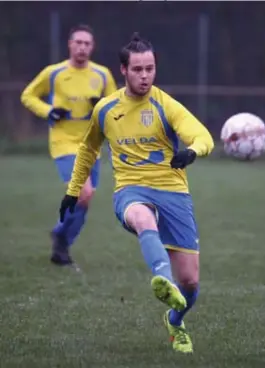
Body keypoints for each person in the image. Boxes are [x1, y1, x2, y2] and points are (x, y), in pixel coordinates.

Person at [58, 32, 214, 353]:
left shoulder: (164, 104)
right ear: (124, 71)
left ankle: (174, 318)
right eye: (138, 69)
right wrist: (73, 191)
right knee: (143, 218)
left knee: (192, 284)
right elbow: (88, 149)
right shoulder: (106, 109)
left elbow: (201, 134)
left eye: (150, 69)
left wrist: (194, 151)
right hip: (130, 189)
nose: (145, 76)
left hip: (174, 194)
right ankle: (162, 279)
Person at [21, 24, 117, 266]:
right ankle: (62, 237)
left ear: (92, 47)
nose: (82, 47)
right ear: (70, 45)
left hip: (91, 143)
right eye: (78, 42)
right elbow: (28, 95)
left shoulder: (102, 74)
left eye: (87, 43)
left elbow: (117, 105)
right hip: (63, 141)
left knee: (86, 198)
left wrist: (102, 104)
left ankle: (62, 240)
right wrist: (49, 110)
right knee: (82, 192)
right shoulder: (54, 73)